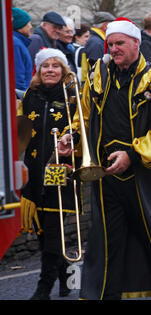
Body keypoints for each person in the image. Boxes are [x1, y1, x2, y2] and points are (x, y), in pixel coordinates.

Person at [58, 17, 151, 300]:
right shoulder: (97, 76)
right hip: (107, 177)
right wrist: (74, 138)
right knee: (106, 246)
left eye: (120, 43)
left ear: (136, 44)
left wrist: (132, 155)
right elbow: (86, 117)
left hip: (147, 177)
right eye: (110, 44)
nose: (114, 49)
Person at [18, 48, 77, 300]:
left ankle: (44, 288)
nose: (50, 70)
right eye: (45, 66)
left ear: (63, 70)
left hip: (60, 170)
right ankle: (65, 278)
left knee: (53, 230)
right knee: (43, 231)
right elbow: (21, 136)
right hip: (34, 171)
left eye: (55, 65)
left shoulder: (72, 96)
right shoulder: (30, 95)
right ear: (38, 71)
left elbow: (81, 130)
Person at [12, 7, 33, 93]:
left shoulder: (18, 42)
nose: (31, 27)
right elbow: (18, 77)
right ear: (20, 25)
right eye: (29, 23)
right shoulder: (15, 44)